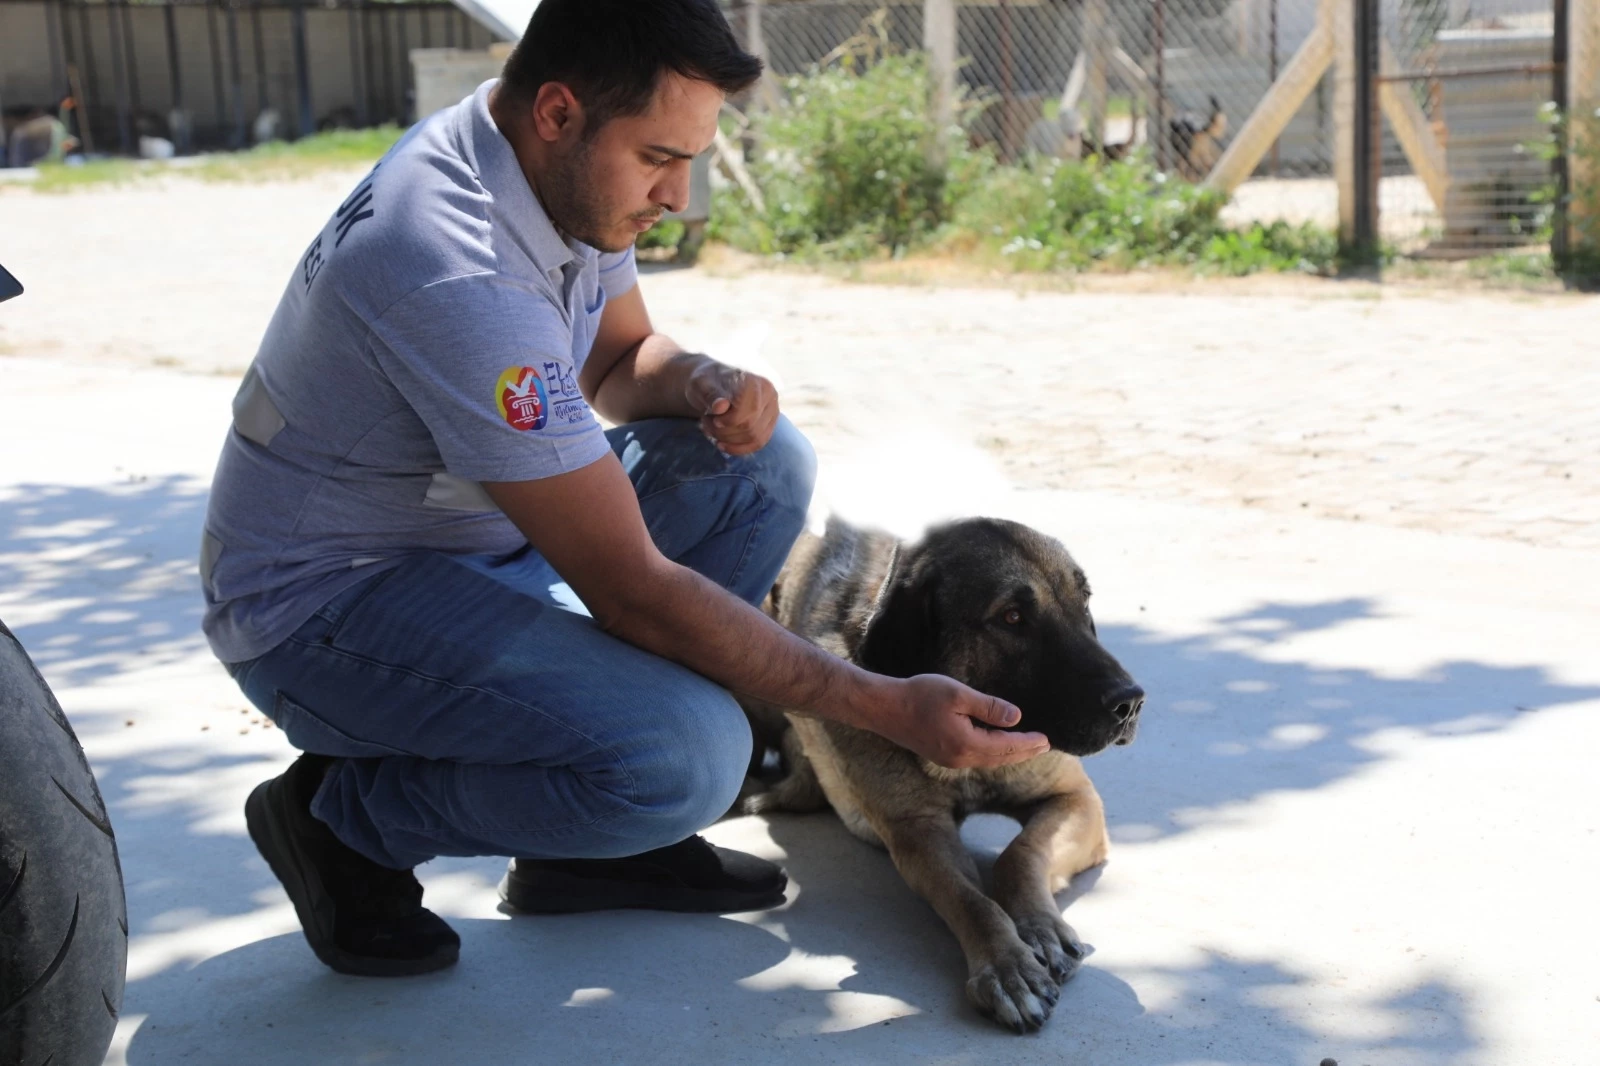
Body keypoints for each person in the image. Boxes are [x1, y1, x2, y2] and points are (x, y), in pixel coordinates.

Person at [202, 0, 1048, 979]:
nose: (678, 197)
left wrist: (696, 380)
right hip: (323, 610)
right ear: (559, 111)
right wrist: (885, 705)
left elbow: (616, 361)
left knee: (759, 467)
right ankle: (343, 820)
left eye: (691, 159)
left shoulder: (542, 167)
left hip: (462, 545)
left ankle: (586, 852)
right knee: (686, 757)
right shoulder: (456, 265)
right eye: (659, 159)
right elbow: (632, 590)